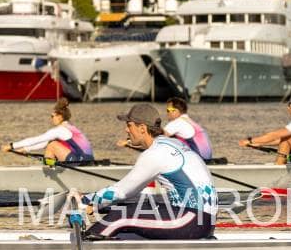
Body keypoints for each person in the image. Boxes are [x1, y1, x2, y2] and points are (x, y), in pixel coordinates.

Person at [82, 103, 216, 240]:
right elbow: (131, 192)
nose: (126, 129)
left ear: (142, 128)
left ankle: (86, 241)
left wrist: (86, 200)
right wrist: (99, 205)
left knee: (122, 215)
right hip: (203, 221)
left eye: (129, 125)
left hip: (191, 221)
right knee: (130, 207)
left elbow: (122, 191)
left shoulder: (155, 153)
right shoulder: (173, 143)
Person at [1, 97, 94, 163]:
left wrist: (11, 146)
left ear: (60, 116)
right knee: (51, 143)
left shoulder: (60, 130)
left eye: (52, 116)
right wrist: (25, 149)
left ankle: (50, 172)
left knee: (52, 145)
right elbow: (44, 143)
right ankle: (52, 166)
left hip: (80, 160)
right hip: (88, 159)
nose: (51, 118)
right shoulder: (71, 127)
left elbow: (37, 139)